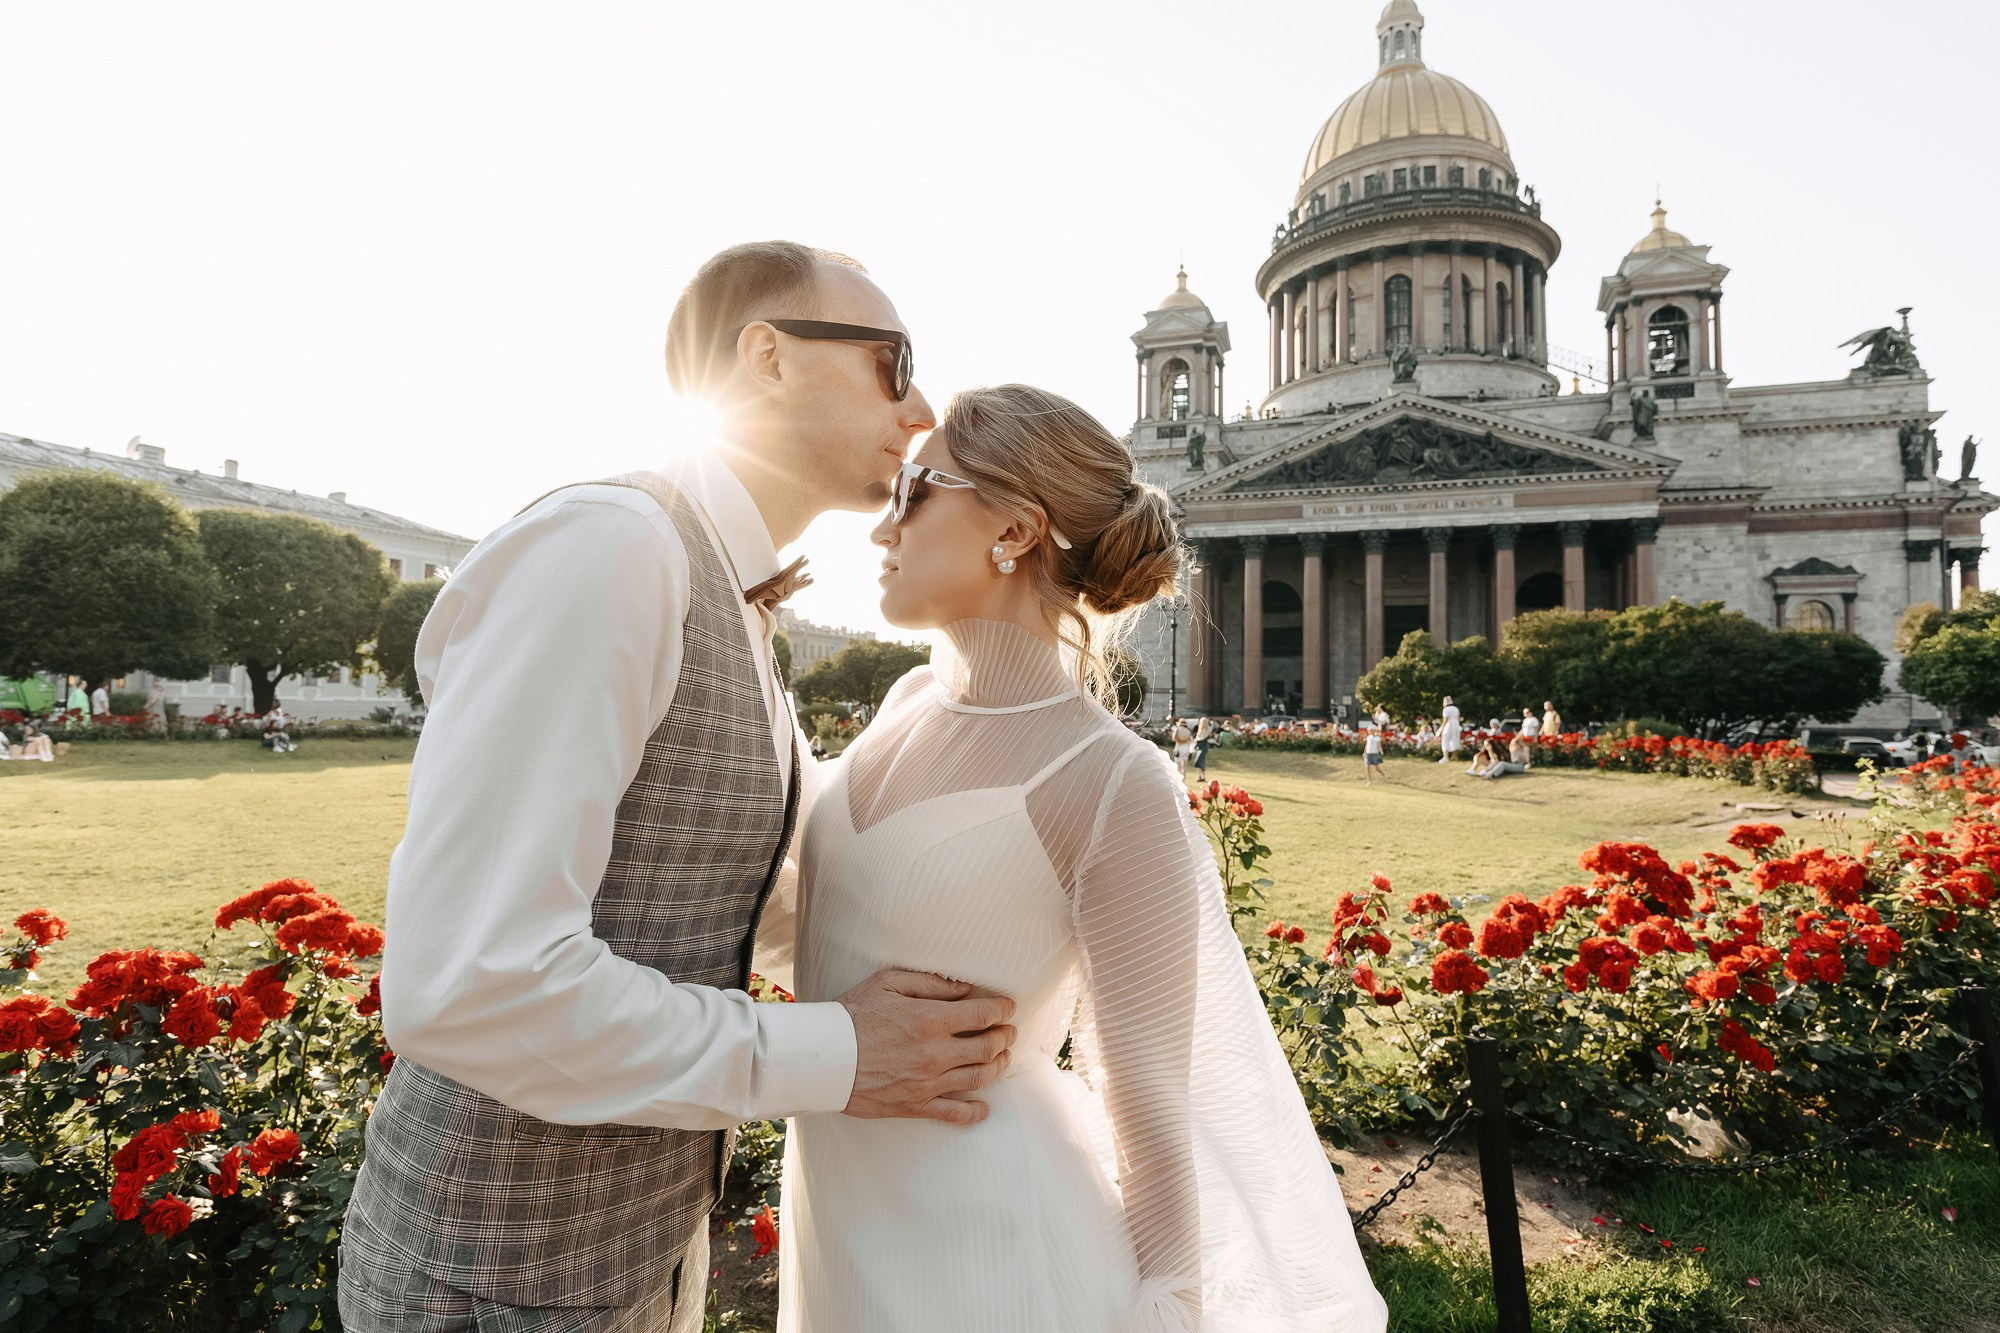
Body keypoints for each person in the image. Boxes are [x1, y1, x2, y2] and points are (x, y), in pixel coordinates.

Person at [340, 242, 1018, 1332]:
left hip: (638, 1256)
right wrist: (838, 1052)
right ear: (766, 358)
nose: (924, 409)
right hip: (495, 1279)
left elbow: (744, 890)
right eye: (893, 362)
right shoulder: (610, 549)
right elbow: (472, 982)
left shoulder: (733, 598)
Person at [782, 384, 1387, 1332]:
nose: (879, 527)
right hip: (846, 1226)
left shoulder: (1109, 780)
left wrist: (1170, 1302)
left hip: (997, 1252)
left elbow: (1149, 1100)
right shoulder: (901, 701)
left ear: (1016, 530)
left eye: (914, 491)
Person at [1437, 694, 1462, 762]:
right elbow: (1458, 718)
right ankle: (1455, 757)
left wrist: (1441, 729)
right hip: (1456, 725)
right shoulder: (1456, 708)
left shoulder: (1446, 709)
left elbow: (1445, 720)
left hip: (1449, 725)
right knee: (1455, 740)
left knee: (1445, 740)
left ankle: (1446, 757)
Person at [1192, 714, 1215, 779]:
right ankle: (1200, 776)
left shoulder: (1208, 730)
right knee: (1201, 761)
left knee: (1199, 760)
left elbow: (1203, 738)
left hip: (1204, 746)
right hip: (1198, 746)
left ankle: (1203, 776)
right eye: (1203, 722)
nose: (1204, 723)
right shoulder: (1200, 730)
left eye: (1205, 722)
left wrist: (1197, 739)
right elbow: (1197, 737)